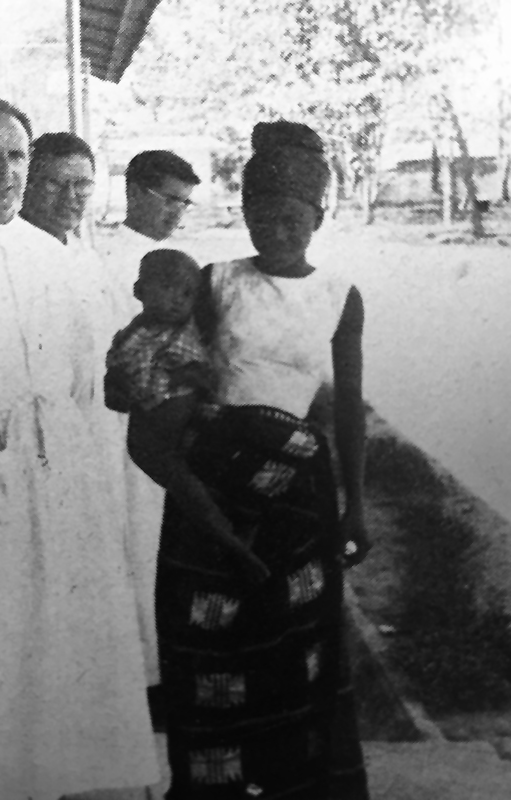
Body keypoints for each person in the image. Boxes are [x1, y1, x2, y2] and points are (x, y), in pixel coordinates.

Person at [0, 98, 158, 800]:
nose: (6, 170)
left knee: (62, 637)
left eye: (18, 155)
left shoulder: (50, 254)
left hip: (61, 463)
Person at [154, 120, 371, 800]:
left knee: (295, 647)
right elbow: (179, 383)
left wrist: (354, 504)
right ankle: (215, 786)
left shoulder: (341, 296)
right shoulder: (216, 281)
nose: (275, 228)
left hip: (297, 499)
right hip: (214, 494)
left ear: (319, 215)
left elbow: (345, 410)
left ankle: (293, 783)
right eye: (259, 213)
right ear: (242, 212)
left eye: (291, 215)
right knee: (212, 643)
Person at [105, 249, 270, 589]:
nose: (178, 301)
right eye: (167, 288)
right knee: (184, 487)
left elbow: (208, 377)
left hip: (180, 427)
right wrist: (118, 390)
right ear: (140, 291)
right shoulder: (128, 335)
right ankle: (231, 528)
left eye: (187, 293)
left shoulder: (185, 334)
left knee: (187, 486)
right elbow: (115, 387)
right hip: (147, 433)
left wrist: (191, 378)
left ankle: (234, 544)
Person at [105, 151, 201, 694]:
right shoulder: (103, 258)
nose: (177, 213)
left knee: (166, 548)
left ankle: (163, 672)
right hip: (119, 425)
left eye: (185, 203)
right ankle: (140, 679)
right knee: (132, 547)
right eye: (170, 199)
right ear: (136, 192)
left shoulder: (180, 262)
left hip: (169, 426)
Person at [21, 131, 96, 249]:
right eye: (55, 183)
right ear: (28, 184)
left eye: (82, 185)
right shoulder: (7, 249)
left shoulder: (82, 255)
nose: (69, 196)